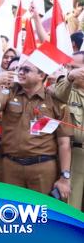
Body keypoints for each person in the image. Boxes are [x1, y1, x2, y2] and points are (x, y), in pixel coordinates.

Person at [0, 60, 80, 197]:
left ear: (41, 75)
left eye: (26, 70)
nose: (20, 72)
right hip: (11, 165)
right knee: (13, 212)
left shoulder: (54, 100)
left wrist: (64, 177)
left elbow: (64, 143)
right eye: (19, 69)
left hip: (42, 167)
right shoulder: (10, 93)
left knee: (42, 212)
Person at [67, 51, 84, 210]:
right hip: (74, 157)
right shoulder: (65, 92)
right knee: (72, 206)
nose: (70, 71)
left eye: (74, 67)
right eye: (68, 67)